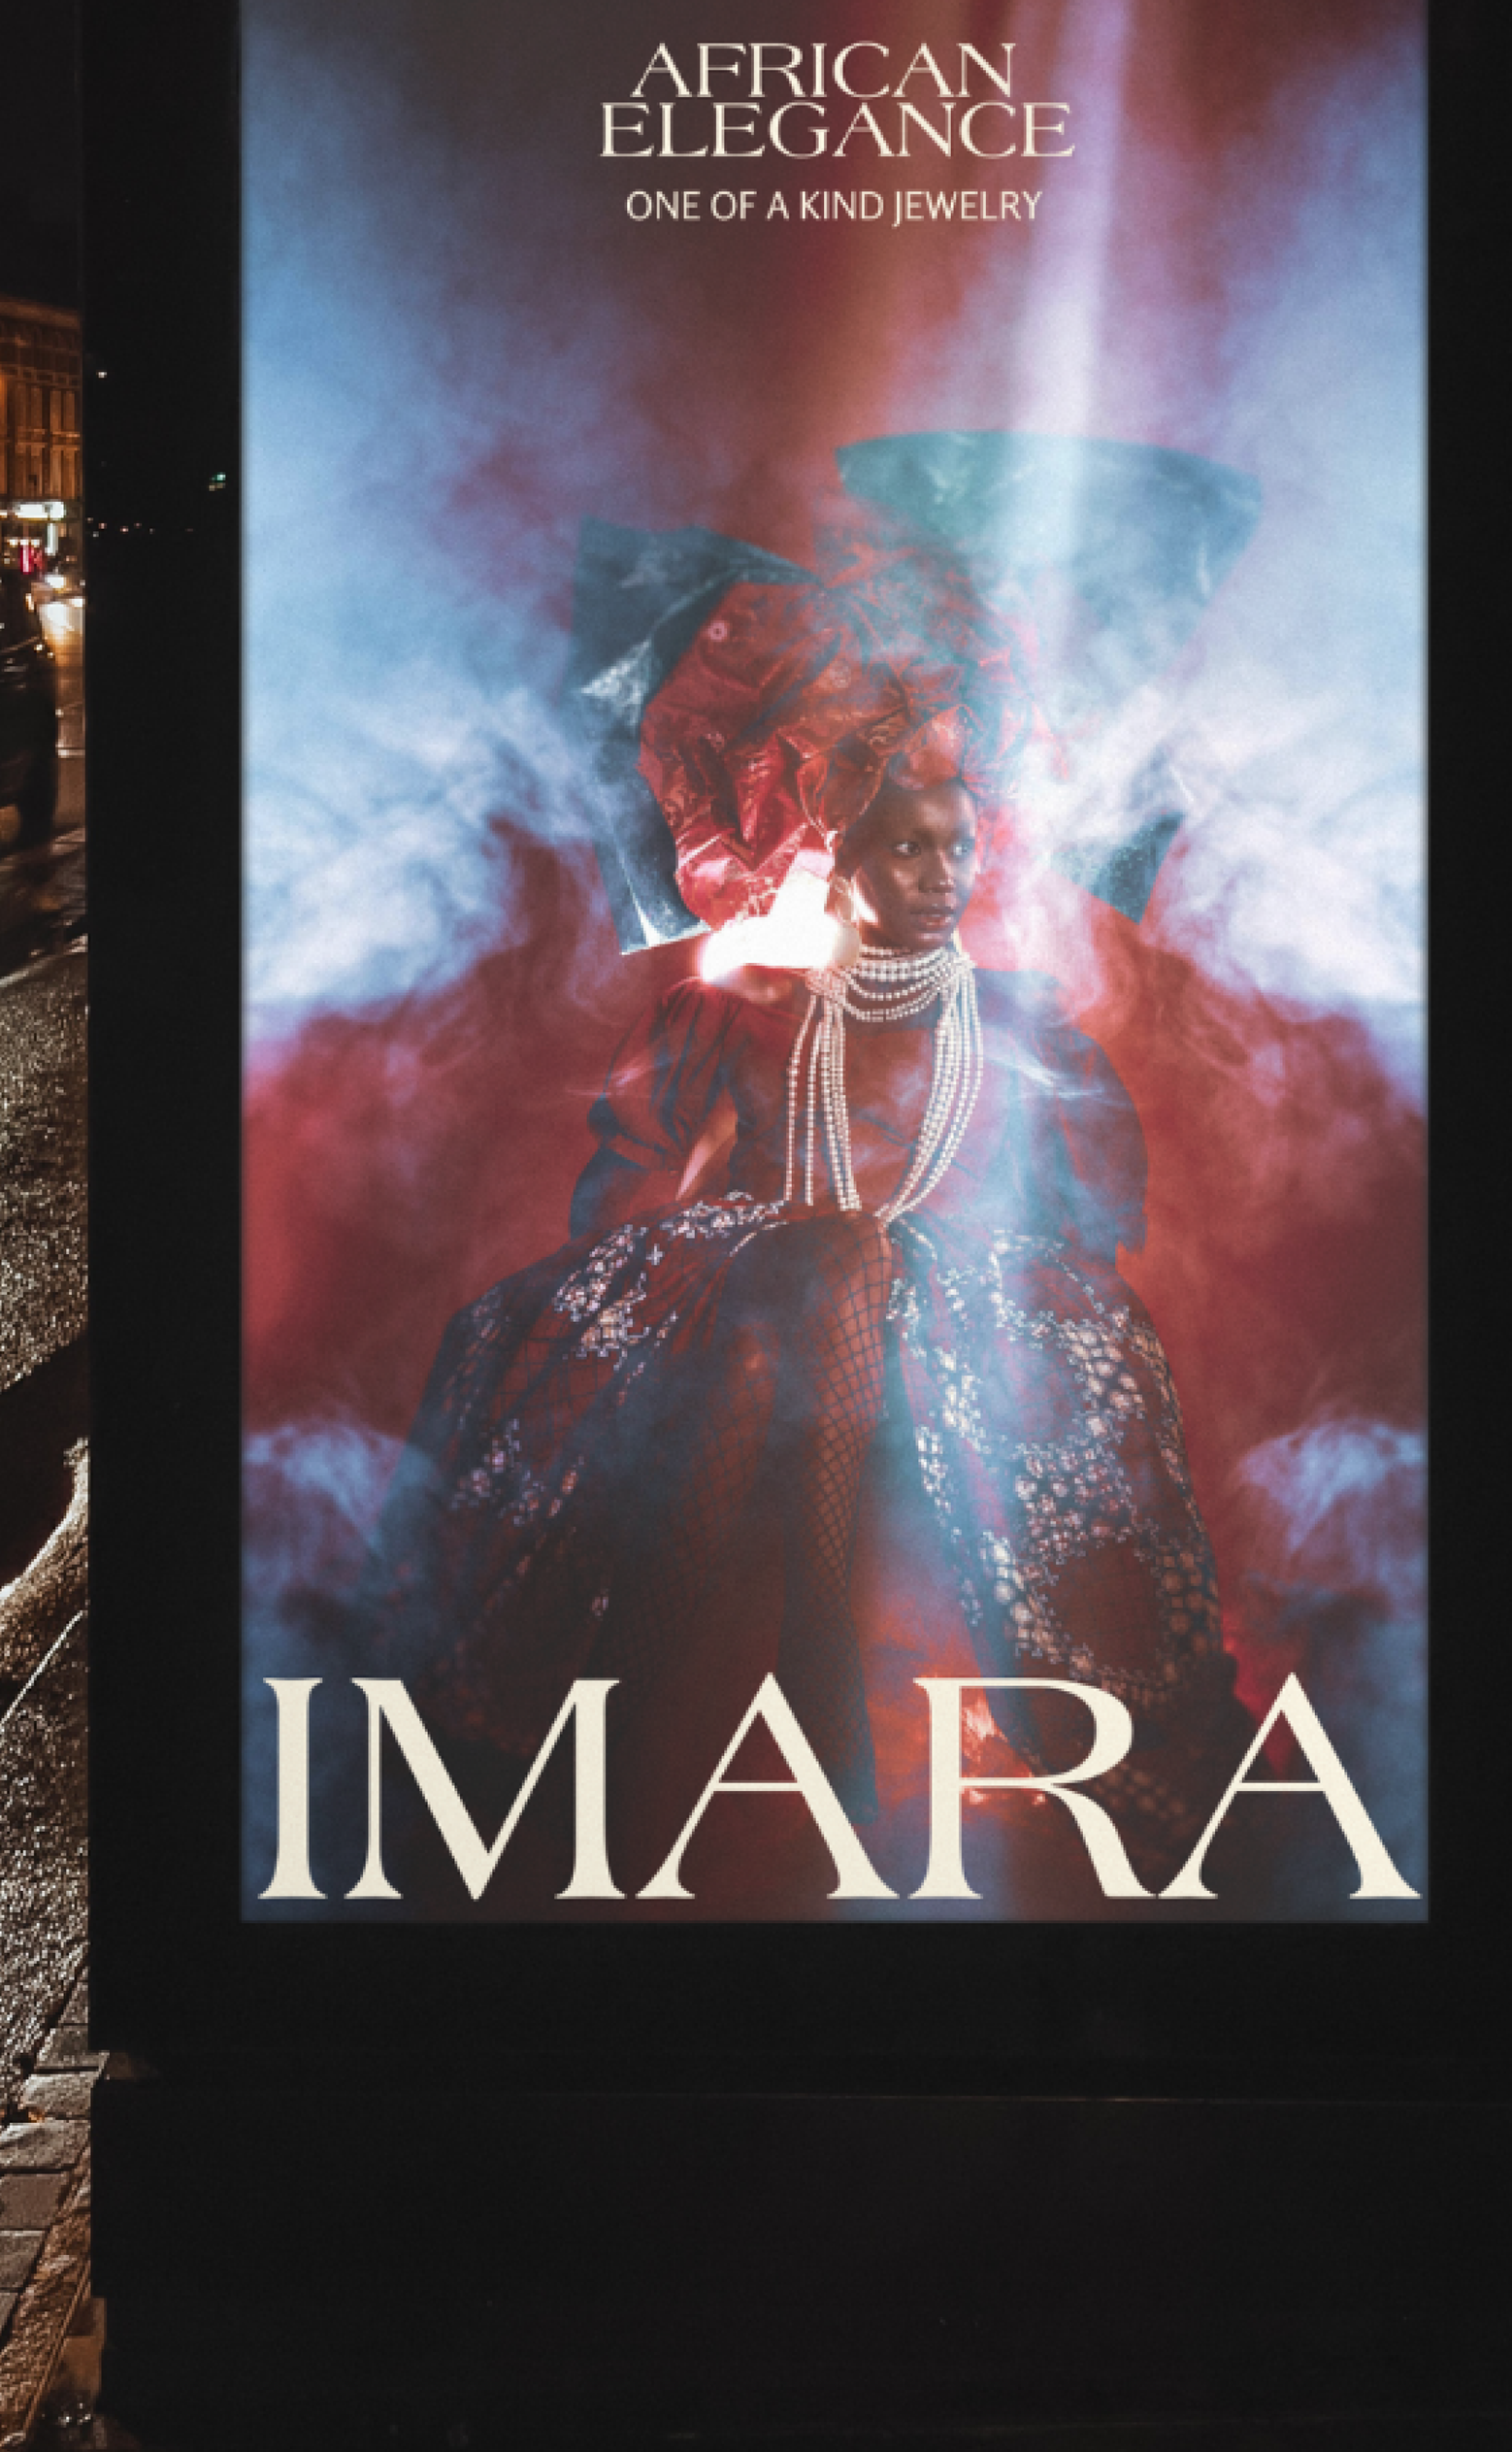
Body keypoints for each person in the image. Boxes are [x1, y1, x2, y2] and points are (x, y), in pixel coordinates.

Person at [359, 550, 1253, 1913]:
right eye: (909, 842)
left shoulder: (1020, 1031)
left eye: (960, 844)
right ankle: (790, 1662)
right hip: (744, 1318)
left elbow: (1090, 1252)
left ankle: (755, 1668)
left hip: (951, 1320)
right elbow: (624, 1207)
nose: (945, 869)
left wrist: (913, 1260)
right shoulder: (736, 1014)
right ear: (846, 849)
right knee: (814, 1263)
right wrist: (763, 1239)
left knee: (844, 1262)